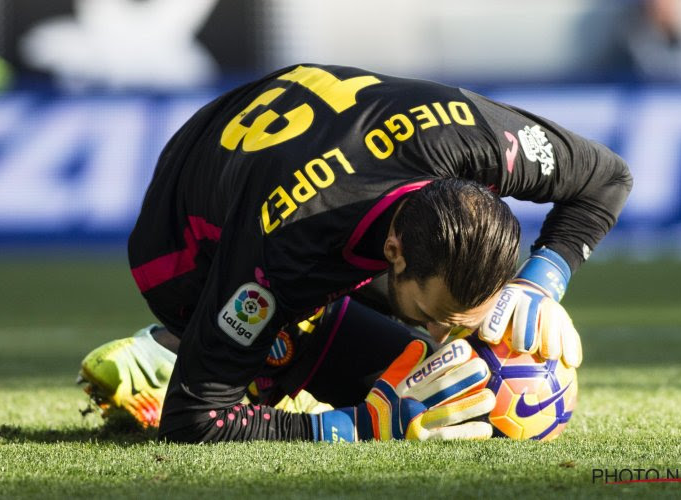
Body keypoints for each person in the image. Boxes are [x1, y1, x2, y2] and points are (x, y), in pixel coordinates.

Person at [78, 63, 632, 443]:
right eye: (441, 318)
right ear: (393, 250)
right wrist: (362, 426)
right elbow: (195, 420)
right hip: (183, 238)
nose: (448, 336)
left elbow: (607, 178)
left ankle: (241, 347)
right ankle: (169, 351)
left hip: (319, 157)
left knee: (426, 374)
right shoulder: (286, 253)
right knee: (376, 384)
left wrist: (540, 280)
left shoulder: (485, 145)